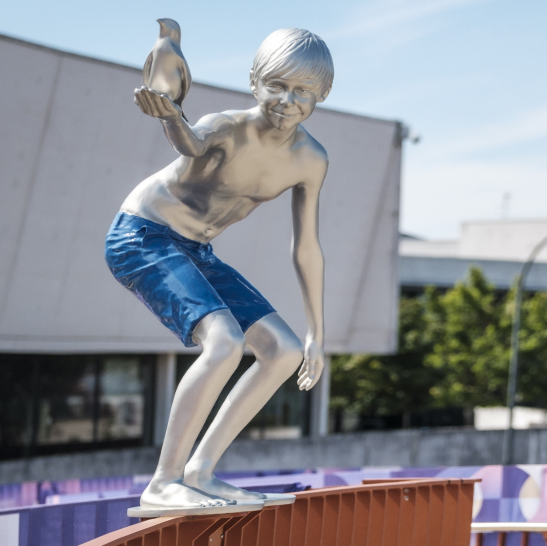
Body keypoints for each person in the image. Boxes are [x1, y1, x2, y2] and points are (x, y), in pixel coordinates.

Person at [105, 28, 333, 514]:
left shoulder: (311, 159)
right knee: (225, 342)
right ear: (254, 82)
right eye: (276, 85)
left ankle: (200, 472)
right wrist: (171, 114)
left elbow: (306, 245)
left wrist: (316, 330)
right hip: (142, 236)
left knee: (283, 350)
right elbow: (189, 142)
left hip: (196, 250)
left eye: (303, 92)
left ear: (321, 97)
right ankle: (164, 481)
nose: (287, 101)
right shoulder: (226, 126)